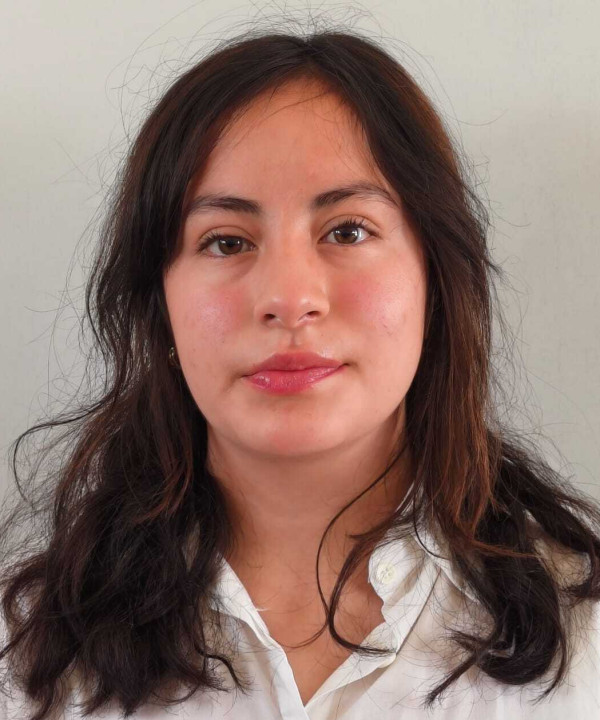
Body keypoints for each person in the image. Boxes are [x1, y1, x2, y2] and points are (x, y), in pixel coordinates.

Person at [1, 26, 599, 720]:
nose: (288, 298)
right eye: (227, 242)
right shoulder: (26, 659)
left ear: (436, 279)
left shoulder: (585, 639)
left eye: (347, 231)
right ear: (159, 303)